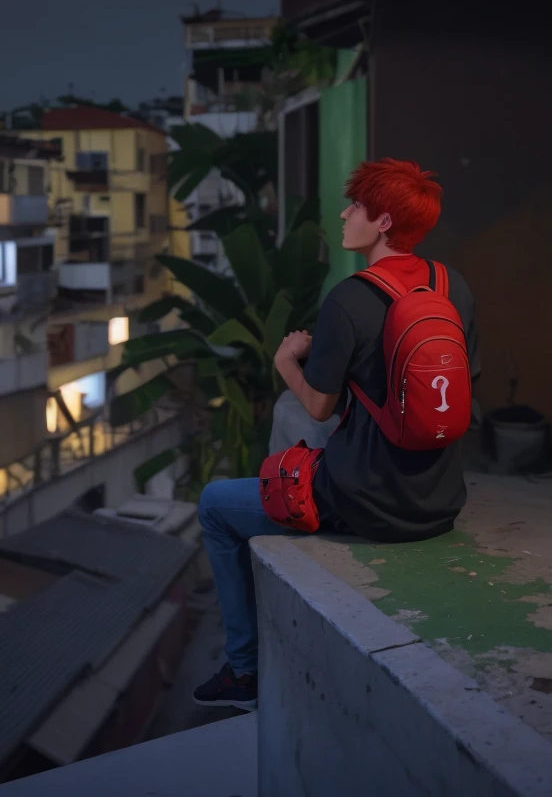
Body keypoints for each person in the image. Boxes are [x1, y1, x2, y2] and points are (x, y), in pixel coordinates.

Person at [192, 158, 479, 711]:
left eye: (356, 207)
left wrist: (287, 361)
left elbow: (320, 407)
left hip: (367, 505)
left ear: (384, 223)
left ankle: (243, 670)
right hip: (441, 501)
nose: (345, 214)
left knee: (214, 505)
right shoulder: (453, 286)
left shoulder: (349, 298)